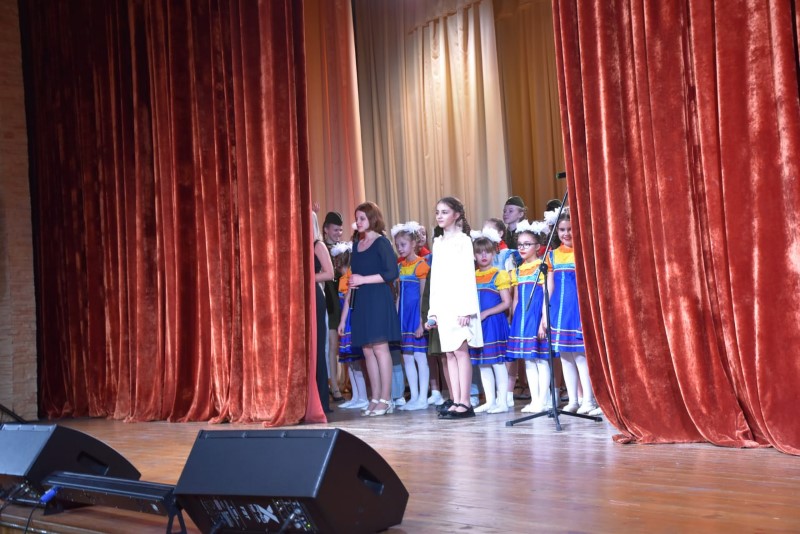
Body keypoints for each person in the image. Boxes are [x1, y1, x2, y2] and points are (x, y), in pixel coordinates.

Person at [338, 201, 400, 417]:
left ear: (373, 219)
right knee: (367, 350)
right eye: (357, 218)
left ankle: (386, 398)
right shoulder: (356, 246)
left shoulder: (382, 243)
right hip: (362, 301)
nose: (358, 222)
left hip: (378, 299)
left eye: (362, 218)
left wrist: (364, 279)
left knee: (380, 348)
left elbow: (392, 273)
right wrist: (344, 317)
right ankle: (375, 397)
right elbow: (353, 280)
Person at [539, 208, 600, 415]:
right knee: (565, 356)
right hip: (559, 310)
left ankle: (588, 400)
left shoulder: (583, 252)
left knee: (581, 356)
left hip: (578, 309)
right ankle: (573, 400)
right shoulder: (552, 256)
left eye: (570, 229)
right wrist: (545, 314)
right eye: (562, 230)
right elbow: (549, 287)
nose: (566, 234)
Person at [426, 197, 482, 419]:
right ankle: (456, 399)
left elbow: (467, 276)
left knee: (460, 350)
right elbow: (436, 279)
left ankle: (465, 402)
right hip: (443, 304)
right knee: (449, 352)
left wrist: (466, 308)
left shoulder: (463, 241)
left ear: (456, 215)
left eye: (445, 212)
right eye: (437, 212)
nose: (440, 216)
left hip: (459, 303)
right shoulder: (438, 242)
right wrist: (433, 311)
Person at [508, 221, 553, 413]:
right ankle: (536, 400)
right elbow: (516, 298)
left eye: (527, 244)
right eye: (520, 244)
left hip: (537, 316)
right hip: (522, 318)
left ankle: (544, 400)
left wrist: (543, 321)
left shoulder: (542, 266)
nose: (522, 248)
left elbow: (547, 294)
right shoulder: (518, 270)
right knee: (528, 359)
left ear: (537, 246)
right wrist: (514, 320)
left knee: (541, 359)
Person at [468, 230, 512, 414]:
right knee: (483, 363)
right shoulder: (471, 276)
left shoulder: (499, 275)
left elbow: (506, 302)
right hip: (478, 324)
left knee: (497, 362)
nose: (483, 256)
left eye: (487, 252)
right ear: (474, 255)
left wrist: (486, 313)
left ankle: (502, 401)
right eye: (479, 252)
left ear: (494, 253)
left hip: (493, 323)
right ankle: (490, 401)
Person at [392, 222, 430, 410]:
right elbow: (399, 295)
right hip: (403, 318)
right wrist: (396, 318)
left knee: (419, 356)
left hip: (416, 317)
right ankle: (414, 396)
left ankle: (423, 398)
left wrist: (421, 321)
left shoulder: (421, 265)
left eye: (403, 244)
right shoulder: (400, 267)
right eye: (397, 245)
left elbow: (423, 295)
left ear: (414, 244)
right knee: (407, 357)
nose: (400, 248)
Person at [332, 242, 370, 410]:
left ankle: (363, 397)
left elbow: (349, 300)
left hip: (350, 321)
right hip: (346, 320)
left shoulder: (350, 276)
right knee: (350, 362)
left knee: (355, 361)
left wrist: (344, 321)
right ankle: (356, 396)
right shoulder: (342, 278)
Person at [312, 212, 334, 415]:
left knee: (318, 347)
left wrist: (306, 277)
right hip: (300, 299)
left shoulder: (318, 245)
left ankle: (321, 400)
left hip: (314, 297)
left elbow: (329, 273)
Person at [322, 211, 345, 402]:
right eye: (335, 230)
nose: (338, 233)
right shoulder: (321, 249)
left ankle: (342, 383)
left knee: (342, 345)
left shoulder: (343, 249)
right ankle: (333, 385)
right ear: (326, 230)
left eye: (340, 230)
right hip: (329, 300)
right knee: (331, 344)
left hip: (343, 299)